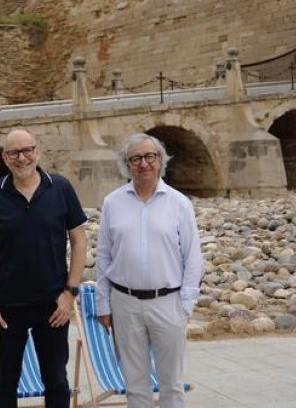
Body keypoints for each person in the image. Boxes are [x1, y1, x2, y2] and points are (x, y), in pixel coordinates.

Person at [0, 128, 88, 408]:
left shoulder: (60, 188)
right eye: (14, 153)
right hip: (7, 306)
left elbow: (80, 240)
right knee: (5, 381)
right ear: (4, 158)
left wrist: (70, 293)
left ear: (37, 152)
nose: (21, 158)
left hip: (53, 304)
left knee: (57, 381)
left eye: (27, 150)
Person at [95, 134, 204, 408]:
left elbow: (193, 257)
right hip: (125, 304)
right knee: (136, 386)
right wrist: (103, 304)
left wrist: (186, 305)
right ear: (127, 164)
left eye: (149, 157)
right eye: (136, 158)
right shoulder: (112, 203)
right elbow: (105, 256)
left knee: (172, 385)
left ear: (160, 161)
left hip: (169, 303)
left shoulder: (179, 203)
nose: (144, 164)